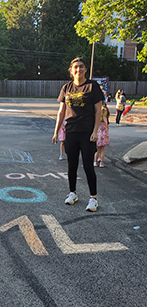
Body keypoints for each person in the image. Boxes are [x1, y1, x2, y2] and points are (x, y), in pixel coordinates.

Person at [52, 57, 104, 212]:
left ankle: (93, 198)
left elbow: (98, 111)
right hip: (71, 132)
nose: (78, 70)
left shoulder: (92, 87)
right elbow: (61, 112)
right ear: (71, 70)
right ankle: (72, 193)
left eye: (81, 67)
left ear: (85, 69)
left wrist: (95, 131)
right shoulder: (66, 88)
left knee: (88, 165)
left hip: (87, 133)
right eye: (75, 67)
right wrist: (56, 132)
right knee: (71, 165)